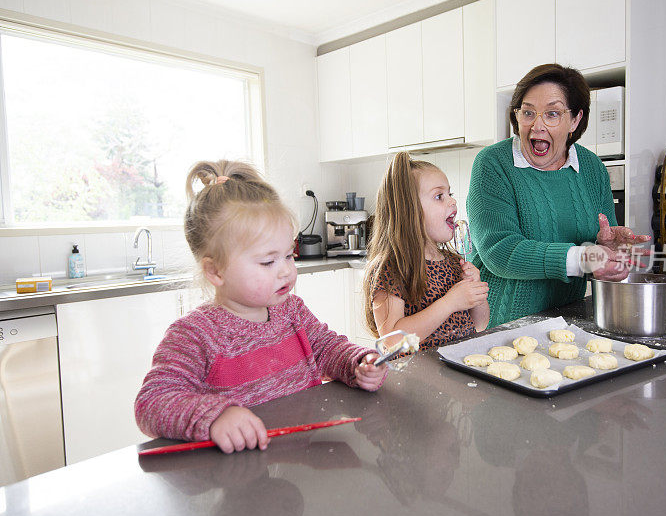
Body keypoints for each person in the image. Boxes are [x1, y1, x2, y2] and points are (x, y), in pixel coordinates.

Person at [135, 160, 387, 454]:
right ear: (216, 271)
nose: (286, 272)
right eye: (268, 262)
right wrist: (216, 416)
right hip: (240, 475)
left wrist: (357, 363)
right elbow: (152, 402)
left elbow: (325, 347)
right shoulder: (194, 334)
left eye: (289, 256)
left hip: (299, 460)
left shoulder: (291, 310)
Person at [466, 63, 649, 327]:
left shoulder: (591, 167)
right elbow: (500, 252)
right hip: (499, 325)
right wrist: (584, 258)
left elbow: (596, 256)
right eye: (528, 112)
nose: (537, 125)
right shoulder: (493, 164)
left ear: (575, 120)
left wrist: (606, 253)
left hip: (568, 321)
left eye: (552, 114)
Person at [363, 151, 490, 350]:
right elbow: (393, 341)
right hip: (415, 377)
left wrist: (475, 294)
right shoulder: (392, 267)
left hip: (457, 369)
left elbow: (480, 324)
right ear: (409, 210)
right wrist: (450, 303)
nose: (452, 202)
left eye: (450, 194)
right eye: (439, 196)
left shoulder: (453, 262)